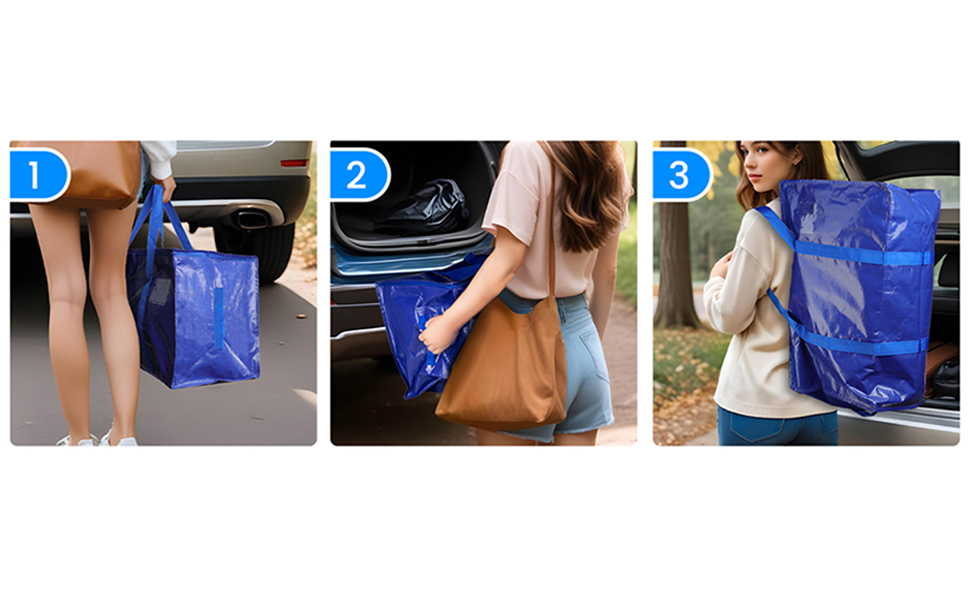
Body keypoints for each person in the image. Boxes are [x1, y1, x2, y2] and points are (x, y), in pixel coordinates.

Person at [419, 141, 632, 446]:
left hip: (523, 341)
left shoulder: (526, 151)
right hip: (586, 345)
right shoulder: (613, 158)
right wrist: (587, 348)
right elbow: (606, 273)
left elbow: (507, 259)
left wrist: (448, 323)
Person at [30, 141, 177, 446]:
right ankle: (124, 436)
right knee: (112, 291)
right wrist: (162, 165)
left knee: (64, 295)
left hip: (40, 152)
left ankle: (79, 440)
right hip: (114, 147)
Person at [703, 141, 838, 445]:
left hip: (756, 404)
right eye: (745, 150)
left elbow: (729, 318)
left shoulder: (760, 223)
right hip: (820, 404)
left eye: (762, 149)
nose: (749, 162)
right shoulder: (837, 221)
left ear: (796, 152)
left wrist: (715, 281)